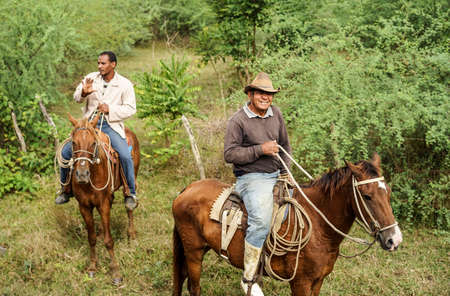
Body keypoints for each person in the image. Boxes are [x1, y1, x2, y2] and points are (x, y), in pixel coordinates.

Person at [224, 72, 292, 296]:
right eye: (261, 93)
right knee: (261, 220)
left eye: (269, 94)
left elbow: (285, 146)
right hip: (251, 177)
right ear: (251, 94)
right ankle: (249, 278)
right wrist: (260, 150)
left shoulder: (277, 114)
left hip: (276, 173)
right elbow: (230, 154)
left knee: (299, 208)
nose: (266, 97)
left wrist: (286, 172)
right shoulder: (238, 120)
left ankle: (282, 256)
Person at [55, 51, 138, 211]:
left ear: (113, 64)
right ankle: (65, 189)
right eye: (98, 63)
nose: (99, 66)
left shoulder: (125, 84)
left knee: (125, 155)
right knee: (65, 153)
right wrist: (83, 93)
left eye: (103, 63)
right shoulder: (91, 77)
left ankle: (130, 193)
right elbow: (76, 97)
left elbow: (131, 109)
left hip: (109, 124)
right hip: (88, 126)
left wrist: (110, 109)